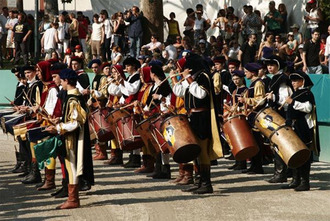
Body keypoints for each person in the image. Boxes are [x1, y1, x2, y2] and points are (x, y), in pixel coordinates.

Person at [170, 53, 222, 194]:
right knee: (195, 150)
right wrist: (176, 79)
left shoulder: (203, 76)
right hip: (192, 115)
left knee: (202, 150)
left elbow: (201, 94)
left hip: (202, 116)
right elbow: (180, 92)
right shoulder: (192, 78)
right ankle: (199, 181)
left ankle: (206, 183)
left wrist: (188, 78)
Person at [46, 68, 92, 209]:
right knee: (70, 166)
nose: (60, 82)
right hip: (70, 137)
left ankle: (73, 199)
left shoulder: (73, 99)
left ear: (66, 81)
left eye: (61, 80)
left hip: (73, 139)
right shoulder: (72, 96)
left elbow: (76, 122)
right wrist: (59, 120)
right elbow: (71, 117)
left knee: (72, 167)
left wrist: (58, 128)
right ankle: (73, 198)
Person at [282, 71, 317, 191]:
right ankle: (295, 180)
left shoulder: (307, 93)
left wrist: (293, 103)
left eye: (296, 80)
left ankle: (304, 182)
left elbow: (308, 108)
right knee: (294, 152)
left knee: (303, 154)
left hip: (303, 127)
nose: (293, 83)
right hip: (294, 126)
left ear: (303, 81)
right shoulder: (295, 93)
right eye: (292, 81)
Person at [265, 55, 293, 183]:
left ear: (278, 66)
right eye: (268, 65)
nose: (269, 67)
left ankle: (281, 173)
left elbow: (286, 100)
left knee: (279, 143)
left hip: (281, 116)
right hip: (276, 114)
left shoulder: (282, 79)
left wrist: (273, 98)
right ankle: (283, 172)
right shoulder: (275, 78)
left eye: (272, 65)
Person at [237, 63, 266, 174]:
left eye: (246, 72)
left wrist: (246, 100)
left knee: (257, 141)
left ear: (252, 72)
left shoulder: (258, 83)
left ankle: (258, 166)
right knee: (253, 140)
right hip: (251, 115)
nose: (245, 74)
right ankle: (253, 165)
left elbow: (261, 100)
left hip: (256, 115)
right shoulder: (252, 83)